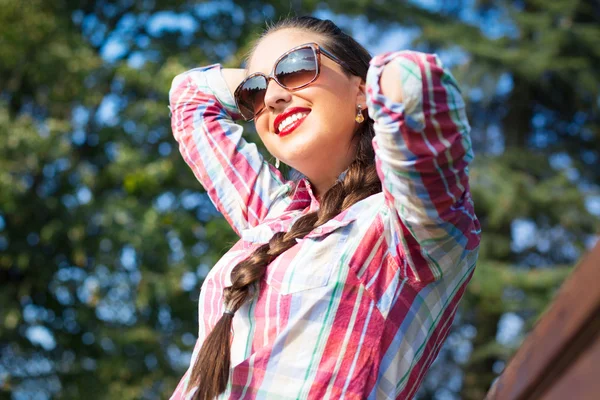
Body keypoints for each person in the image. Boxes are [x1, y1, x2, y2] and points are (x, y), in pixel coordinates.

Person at [168, 16, 480, 400]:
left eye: (297, 68)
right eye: (254, 92)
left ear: (364, 91)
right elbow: (190, 98)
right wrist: (272, 79)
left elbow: (412, 83)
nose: (271, 99)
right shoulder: (277, 216)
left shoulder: (407, 228)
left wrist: (368, 80)